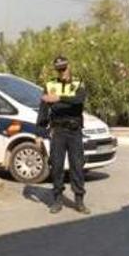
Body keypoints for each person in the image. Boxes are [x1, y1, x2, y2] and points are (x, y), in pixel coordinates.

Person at [40, 55, 89, 215]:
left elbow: (78, 100)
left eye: (64, 68)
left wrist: (58, 99)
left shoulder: (78, 83)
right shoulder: (50, 85)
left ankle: (79, 200)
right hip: (58, 131)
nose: (62, 72)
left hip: (74, 131)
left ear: (69, 67)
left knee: (77, 166)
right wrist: (39, 133)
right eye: (59, 69)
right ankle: (57, 199)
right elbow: (44, 109)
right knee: (57, 166)